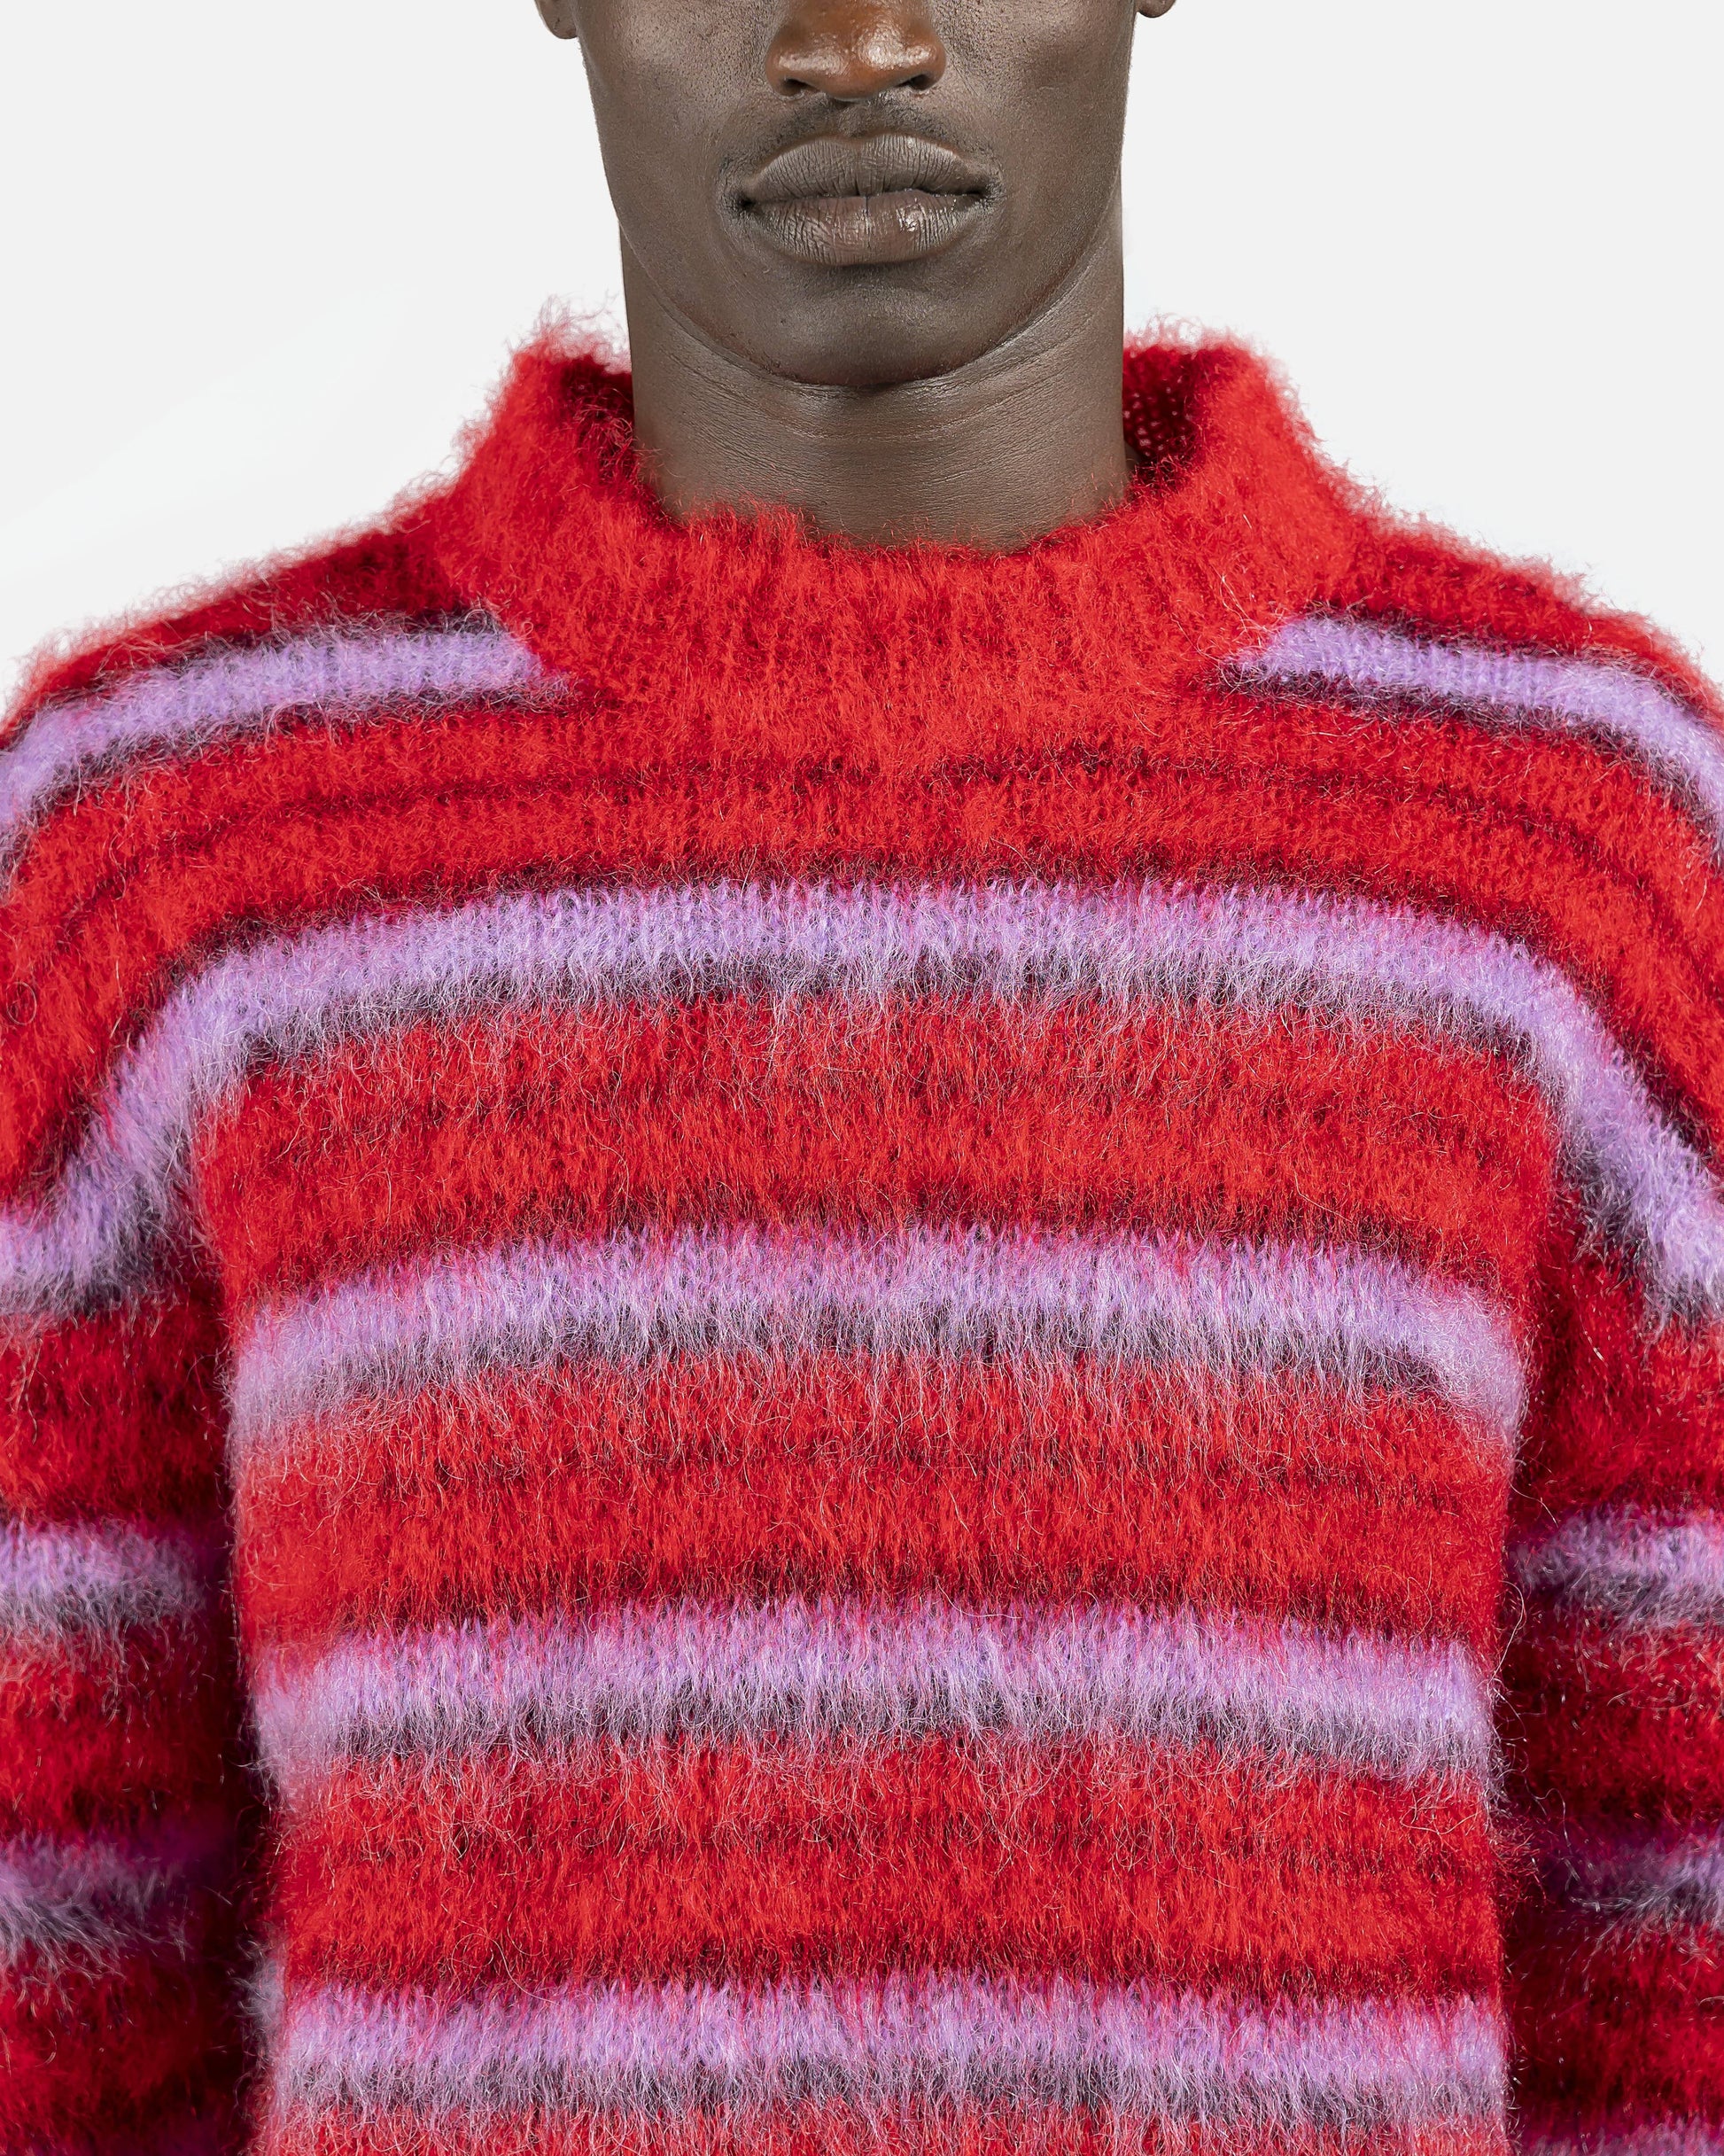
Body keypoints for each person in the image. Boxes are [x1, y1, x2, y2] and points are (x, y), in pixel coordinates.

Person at [2, 0, 1720, 2146]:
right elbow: (55, 1953)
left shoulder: (1564, 831)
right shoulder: (171, 837)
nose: (856, 40)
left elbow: (1675, 1938)